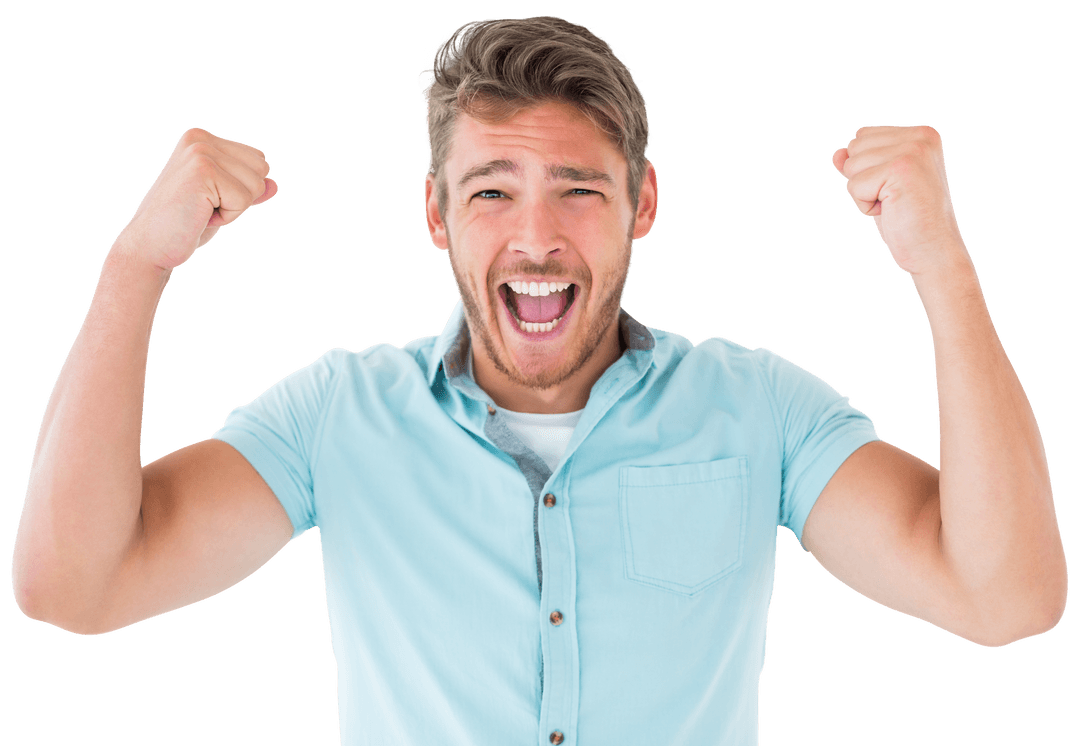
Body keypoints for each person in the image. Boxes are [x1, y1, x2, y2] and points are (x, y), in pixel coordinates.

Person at [11, 15, 1066, 745]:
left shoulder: (759, 411)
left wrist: (943, 265)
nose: (536, 236)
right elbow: (75, 584)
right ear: (435, 215)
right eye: (491, 191)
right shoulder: (337, 416)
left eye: (576, 189)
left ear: (641, 204)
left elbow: (1006, 595)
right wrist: (134, 266)